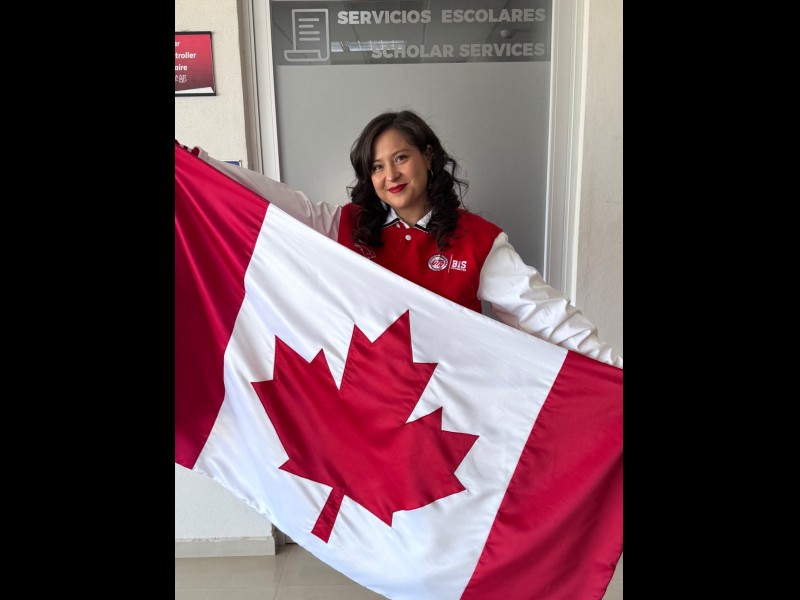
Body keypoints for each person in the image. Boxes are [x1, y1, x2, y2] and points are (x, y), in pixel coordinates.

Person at [182, 109, 622, 368]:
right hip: (363, 399)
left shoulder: (478, 240)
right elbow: (271, 200)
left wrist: (612, 371)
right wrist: (197, 165)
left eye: (400, 158)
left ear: (428, 157)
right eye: (376, 166)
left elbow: (545, 314)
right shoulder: (345, 225)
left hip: (449, 400)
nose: (390, 175)